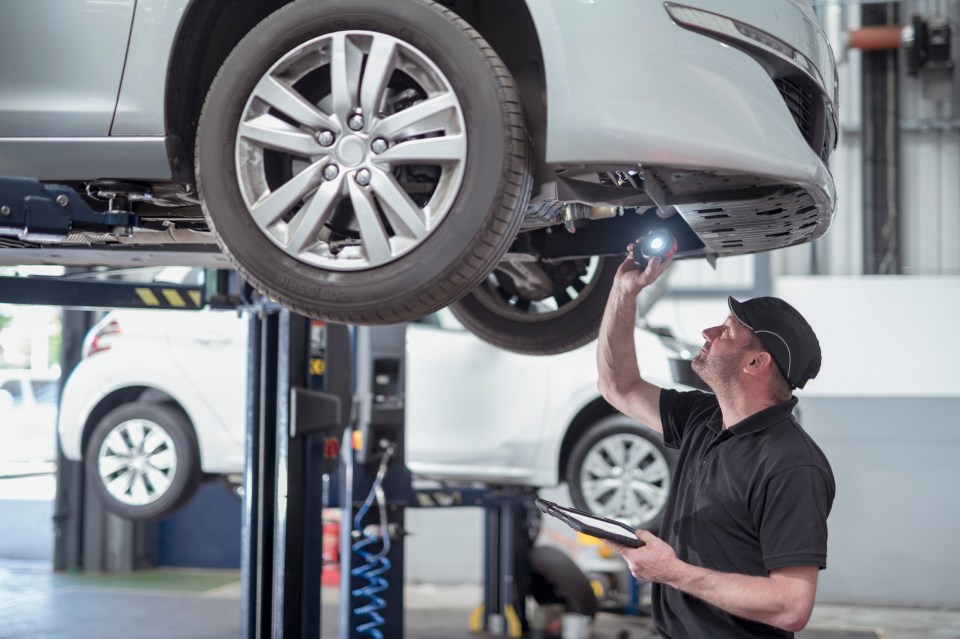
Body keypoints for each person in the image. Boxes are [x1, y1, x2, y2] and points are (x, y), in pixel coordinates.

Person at [596, 241, 835, 638]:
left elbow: (792, 605)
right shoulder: (703, 417)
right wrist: (624, 293)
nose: (707, 332)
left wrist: (672, 572)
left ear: (756, 363)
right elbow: (618, 385)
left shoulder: (792, 465)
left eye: (726, 331)